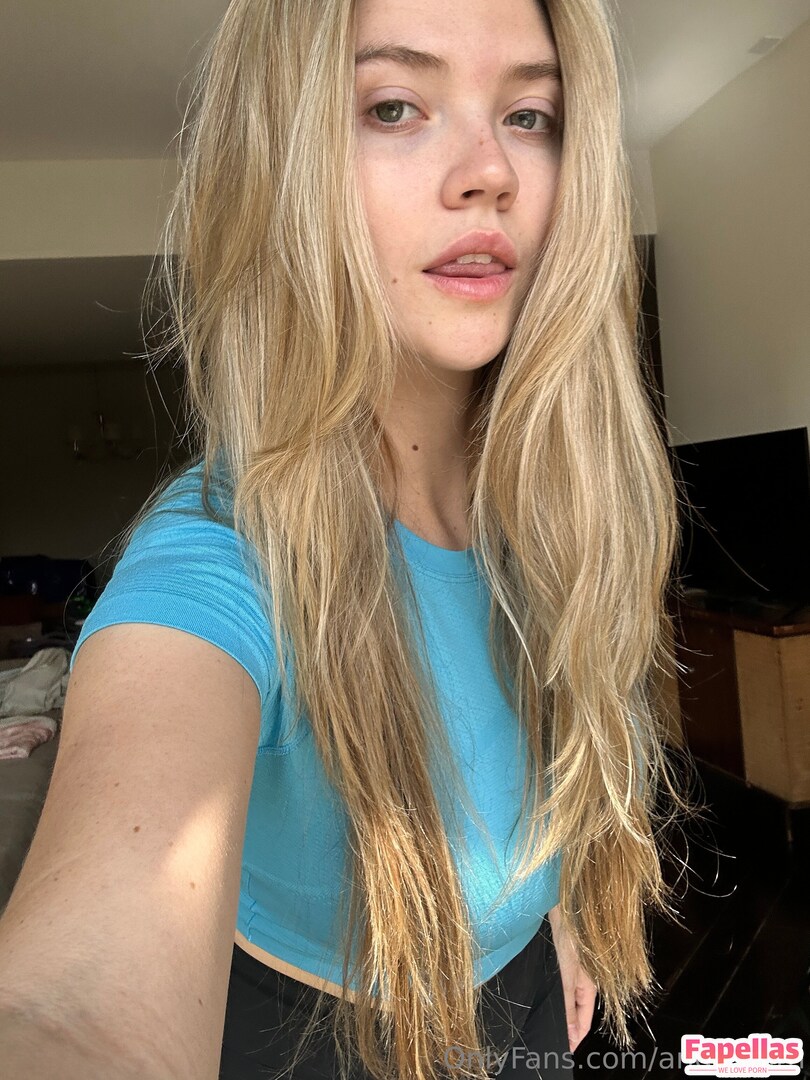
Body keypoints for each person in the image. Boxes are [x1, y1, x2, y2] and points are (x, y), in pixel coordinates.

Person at [0, 0, 691, 1077]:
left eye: (531, 116)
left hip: (524, 1003)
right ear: (284, 166)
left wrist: (545, 905)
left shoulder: (568, 508)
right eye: (395, 106)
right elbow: (76, 1006)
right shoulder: (219, 553)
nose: (490, 173)